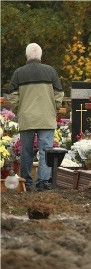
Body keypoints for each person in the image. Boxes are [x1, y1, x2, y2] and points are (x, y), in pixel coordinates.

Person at [6, 43, 64, 192]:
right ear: (40, 56)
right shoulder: (50, 71)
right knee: (46, 150)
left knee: (26, 151)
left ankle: (26, 182)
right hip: (46, 117)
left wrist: (19, 110)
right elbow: (59, 94)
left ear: (27, 56)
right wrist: (54, 108)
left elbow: (12, 96)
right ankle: (43, 182)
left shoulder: (18, 73)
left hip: (27, 118)